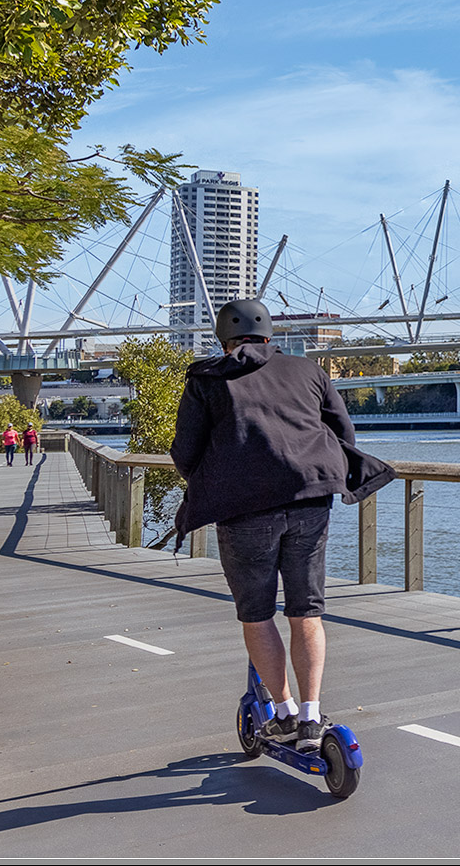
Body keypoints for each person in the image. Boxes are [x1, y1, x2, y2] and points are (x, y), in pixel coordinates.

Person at [170, 298, 366, 752]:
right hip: (310, 500)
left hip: (245, 510)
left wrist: (217, 480)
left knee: (257, 614)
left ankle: (283, 713)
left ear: (225, 338)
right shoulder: (309, 371)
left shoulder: (207, 378)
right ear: (269, 335)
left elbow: (185, 451)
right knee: (306, 610)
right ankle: (314, 717)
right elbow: (343, 435)